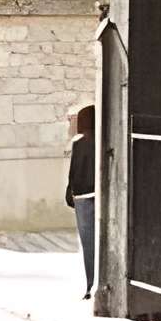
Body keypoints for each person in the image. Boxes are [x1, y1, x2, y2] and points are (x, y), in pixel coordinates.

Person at [65, 102, 96, 298]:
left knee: (88, 244)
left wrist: (70, 193)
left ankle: (90, 285)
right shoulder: (102, 141)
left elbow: (73, 173)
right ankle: (95, 284)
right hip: (99, 194)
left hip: (83, 198)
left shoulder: (78, 143)